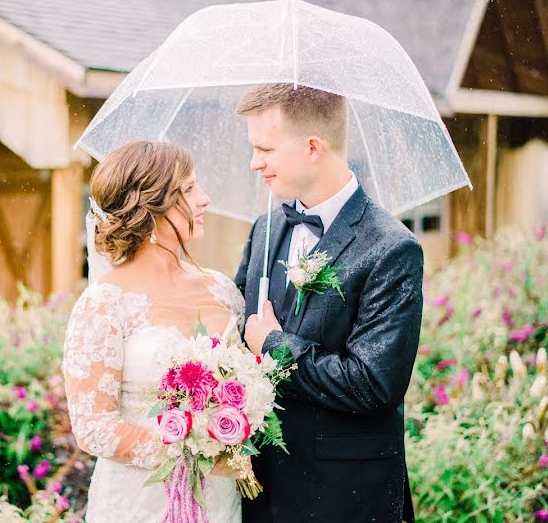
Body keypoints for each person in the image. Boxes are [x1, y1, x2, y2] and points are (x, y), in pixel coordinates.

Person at [235, 84, 423, 522]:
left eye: (265, 148)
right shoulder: (265, 229)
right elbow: (235, 343)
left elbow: (372, 384)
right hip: (260, 491)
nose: (254, 162)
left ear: (313, 147)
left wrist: (274, 344)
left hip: (344, 496)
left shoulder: (392, 249)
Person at [63, 140, 247, 522]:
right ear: (151, 204)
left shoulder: (222, 290)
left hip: (219, 501)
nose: (205, 199)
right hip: (139, 502)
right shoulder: (105, 303)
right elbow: (94, 428)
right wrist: (195, 453)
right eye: (190, 188)